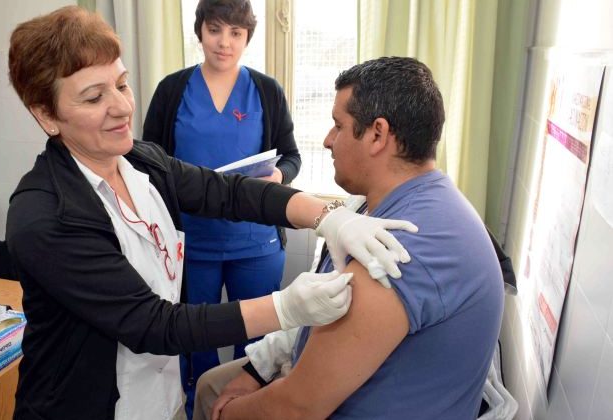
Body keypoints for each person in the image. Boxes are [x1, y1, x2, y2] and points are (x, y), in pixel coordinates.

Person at [6, 8, 417, 420]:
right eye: (94, 97)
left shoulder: (141, 163)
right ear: (46, 115)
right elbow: (154, 325)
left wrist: (329, 216)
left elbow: (227, 192)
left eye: (122, 84)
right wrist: (286, 308)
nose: (121, 107)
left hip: (159, 401)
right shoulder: (45, 215)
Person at [199, 57, 505, 420]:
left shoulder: (401, 247)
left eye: (338, 126)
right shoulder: (381, 206)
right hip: (332, 382)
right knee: (209, 385)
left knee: (214, 403)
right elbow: (320, 318)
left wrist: (229, 415)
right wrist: (255, 370)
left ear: (377, 134)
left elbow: (298, 407)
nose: (328, 141)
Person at [142, 1, 299, 412]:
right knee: (196, 342)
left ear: (247, 38)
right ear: (199, 32)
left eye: (235, 33)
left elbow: (291, 156)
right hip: (192, 246)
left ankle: (253, 411)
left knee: (260, 346)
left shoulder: (266, 90)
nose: (224, 42)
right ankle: (200, 407)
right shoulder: (172, 90)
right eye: (215, 30)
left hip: (257, 244)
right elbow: (148, 163)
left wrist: (280, 176)